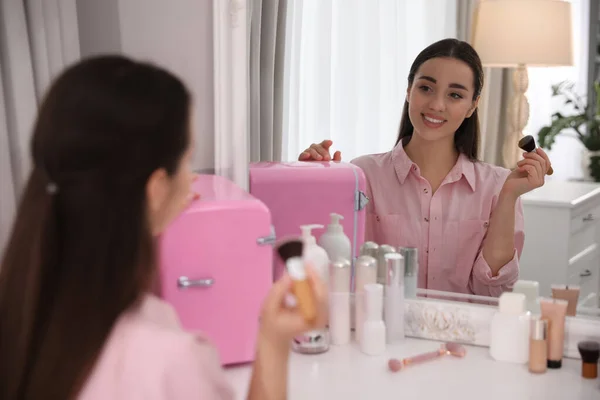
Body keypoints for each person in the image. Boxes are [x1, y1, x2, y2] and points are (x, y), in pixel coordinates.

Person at [0, 55, 328, 400]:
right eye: (186, 160)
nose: (191, 182)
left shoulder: (19, 313)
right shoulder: (169, 361)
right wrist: (273, 343)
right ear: (155, 189)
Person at [298, 38, 552, 297]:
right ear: (409, 90)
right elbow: (330, 266)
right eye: (426, 88)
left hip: (466, 335)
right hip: (381, 332)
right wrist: (312, 181)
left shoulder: (498, 185)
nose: (436, 105)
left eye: (455, 95)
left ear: (473, 106)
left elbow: (495, 290)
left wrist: (509, 196)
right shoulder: (363, 175)